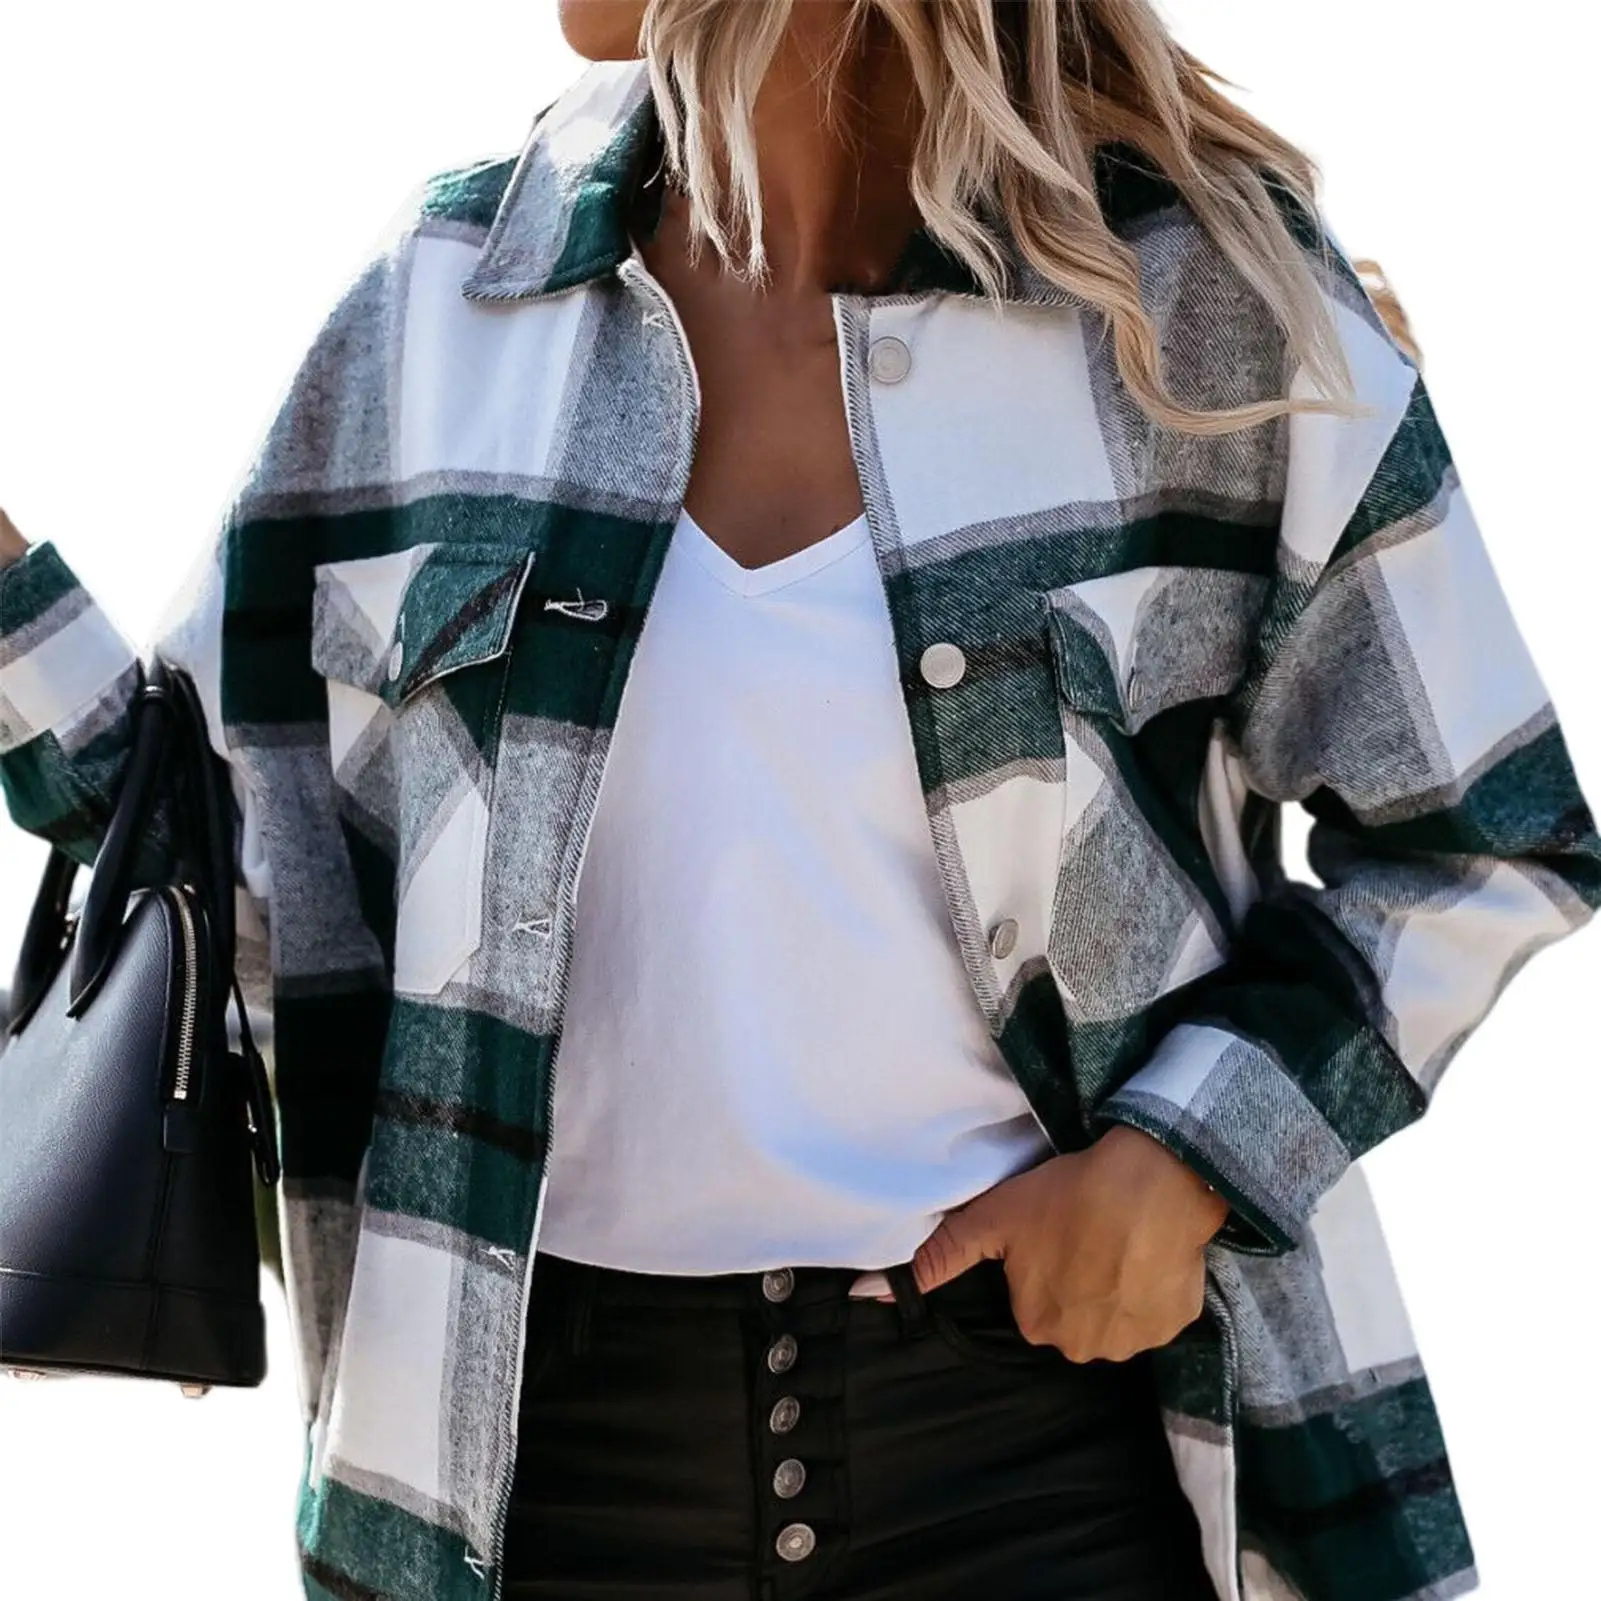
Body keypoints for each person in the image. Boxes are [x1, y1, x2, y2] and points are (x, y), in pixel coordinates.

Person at [1, 2, 1596, 1598]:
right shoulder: (447, 302)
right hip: (530, 1504)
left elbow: (1487, 838)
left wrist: (1185, 1163)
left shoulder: (1202, 302)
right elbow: (200, 841)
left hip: (1051, 1480)